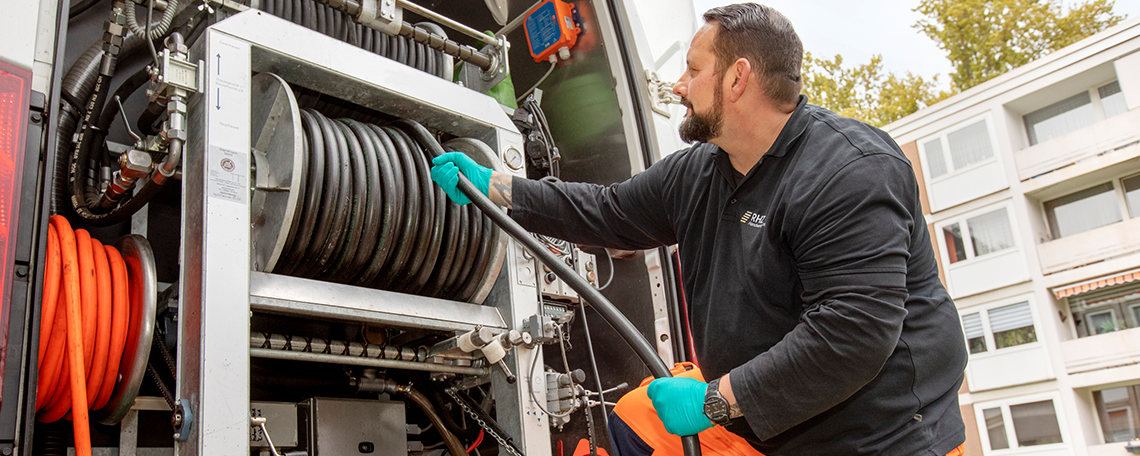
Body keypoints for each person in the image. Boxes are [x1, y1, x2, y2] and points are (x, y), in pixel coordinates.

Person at [429, 3, 968, 455]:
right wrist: (497, 187)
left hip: (876, 437)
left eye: (692, 70)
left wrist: (715, 401)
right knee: (636, 419)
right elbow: (609, 211)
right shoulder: (702, 170)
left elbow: (851, 336)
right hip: (750, 420)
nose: (678, 84)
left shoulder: (849, 171)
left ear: (737, 78)